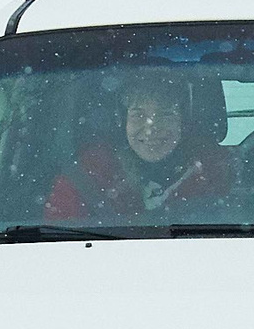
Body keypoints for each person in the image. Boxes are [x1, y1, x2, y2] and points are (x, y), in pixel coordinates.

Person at [44, 68, 235, 221]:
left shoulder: (220, 172)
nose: (151, 129)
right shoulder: (88, 176)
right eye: (138, 115)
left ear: (183, 121)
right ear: (122, 121)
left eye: (166, 114)